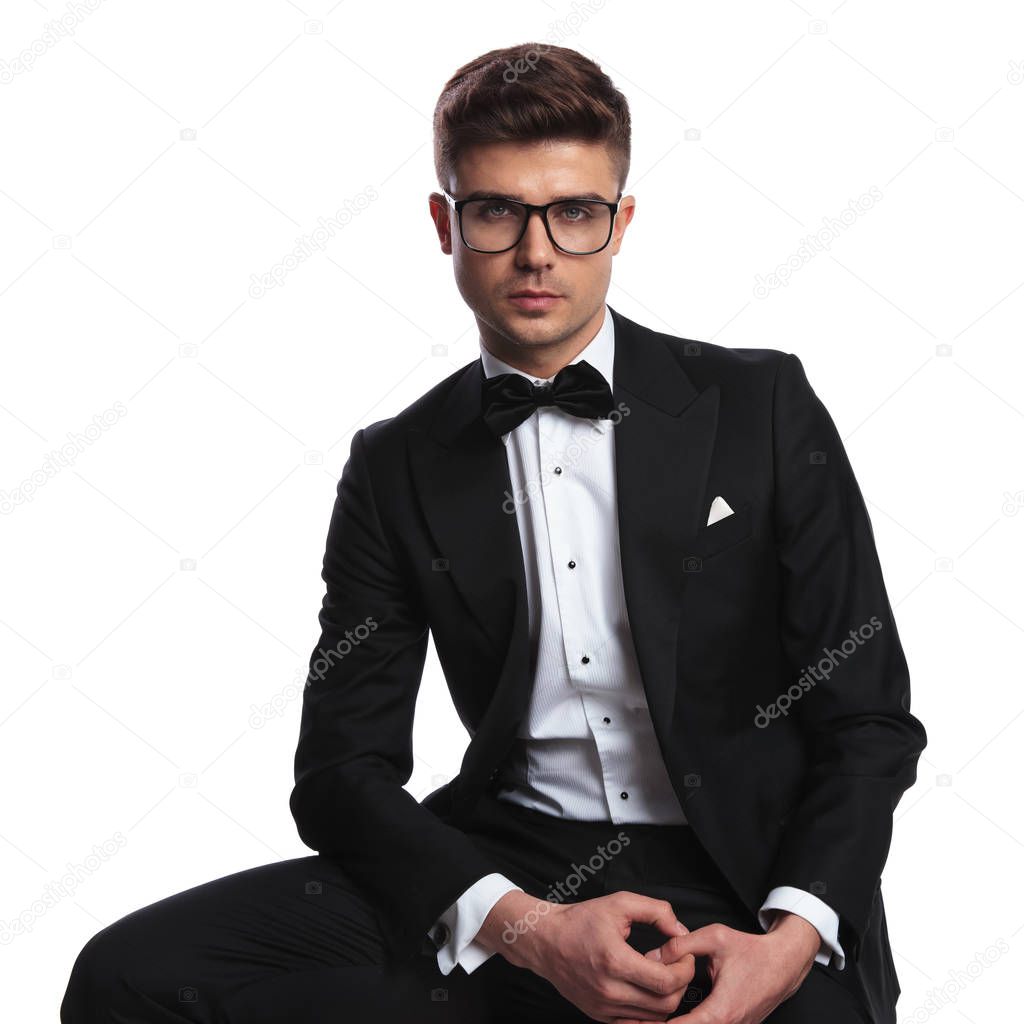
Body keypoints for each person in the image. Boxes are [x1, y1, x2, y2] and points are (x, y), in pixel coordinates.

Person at [60, 42, 926, 1024]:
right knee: (127, 974)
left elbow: (867, 719)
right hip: (512, 861)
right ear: (445, 223)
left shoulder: (759, 403)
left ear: (619, 223)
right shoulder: (398, 462)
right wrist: (519, 925)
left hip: (744, 869)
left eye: (573, 212)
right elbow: (342, 772)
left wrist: (793, 933)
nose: (536, 251)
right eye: (496, 211)